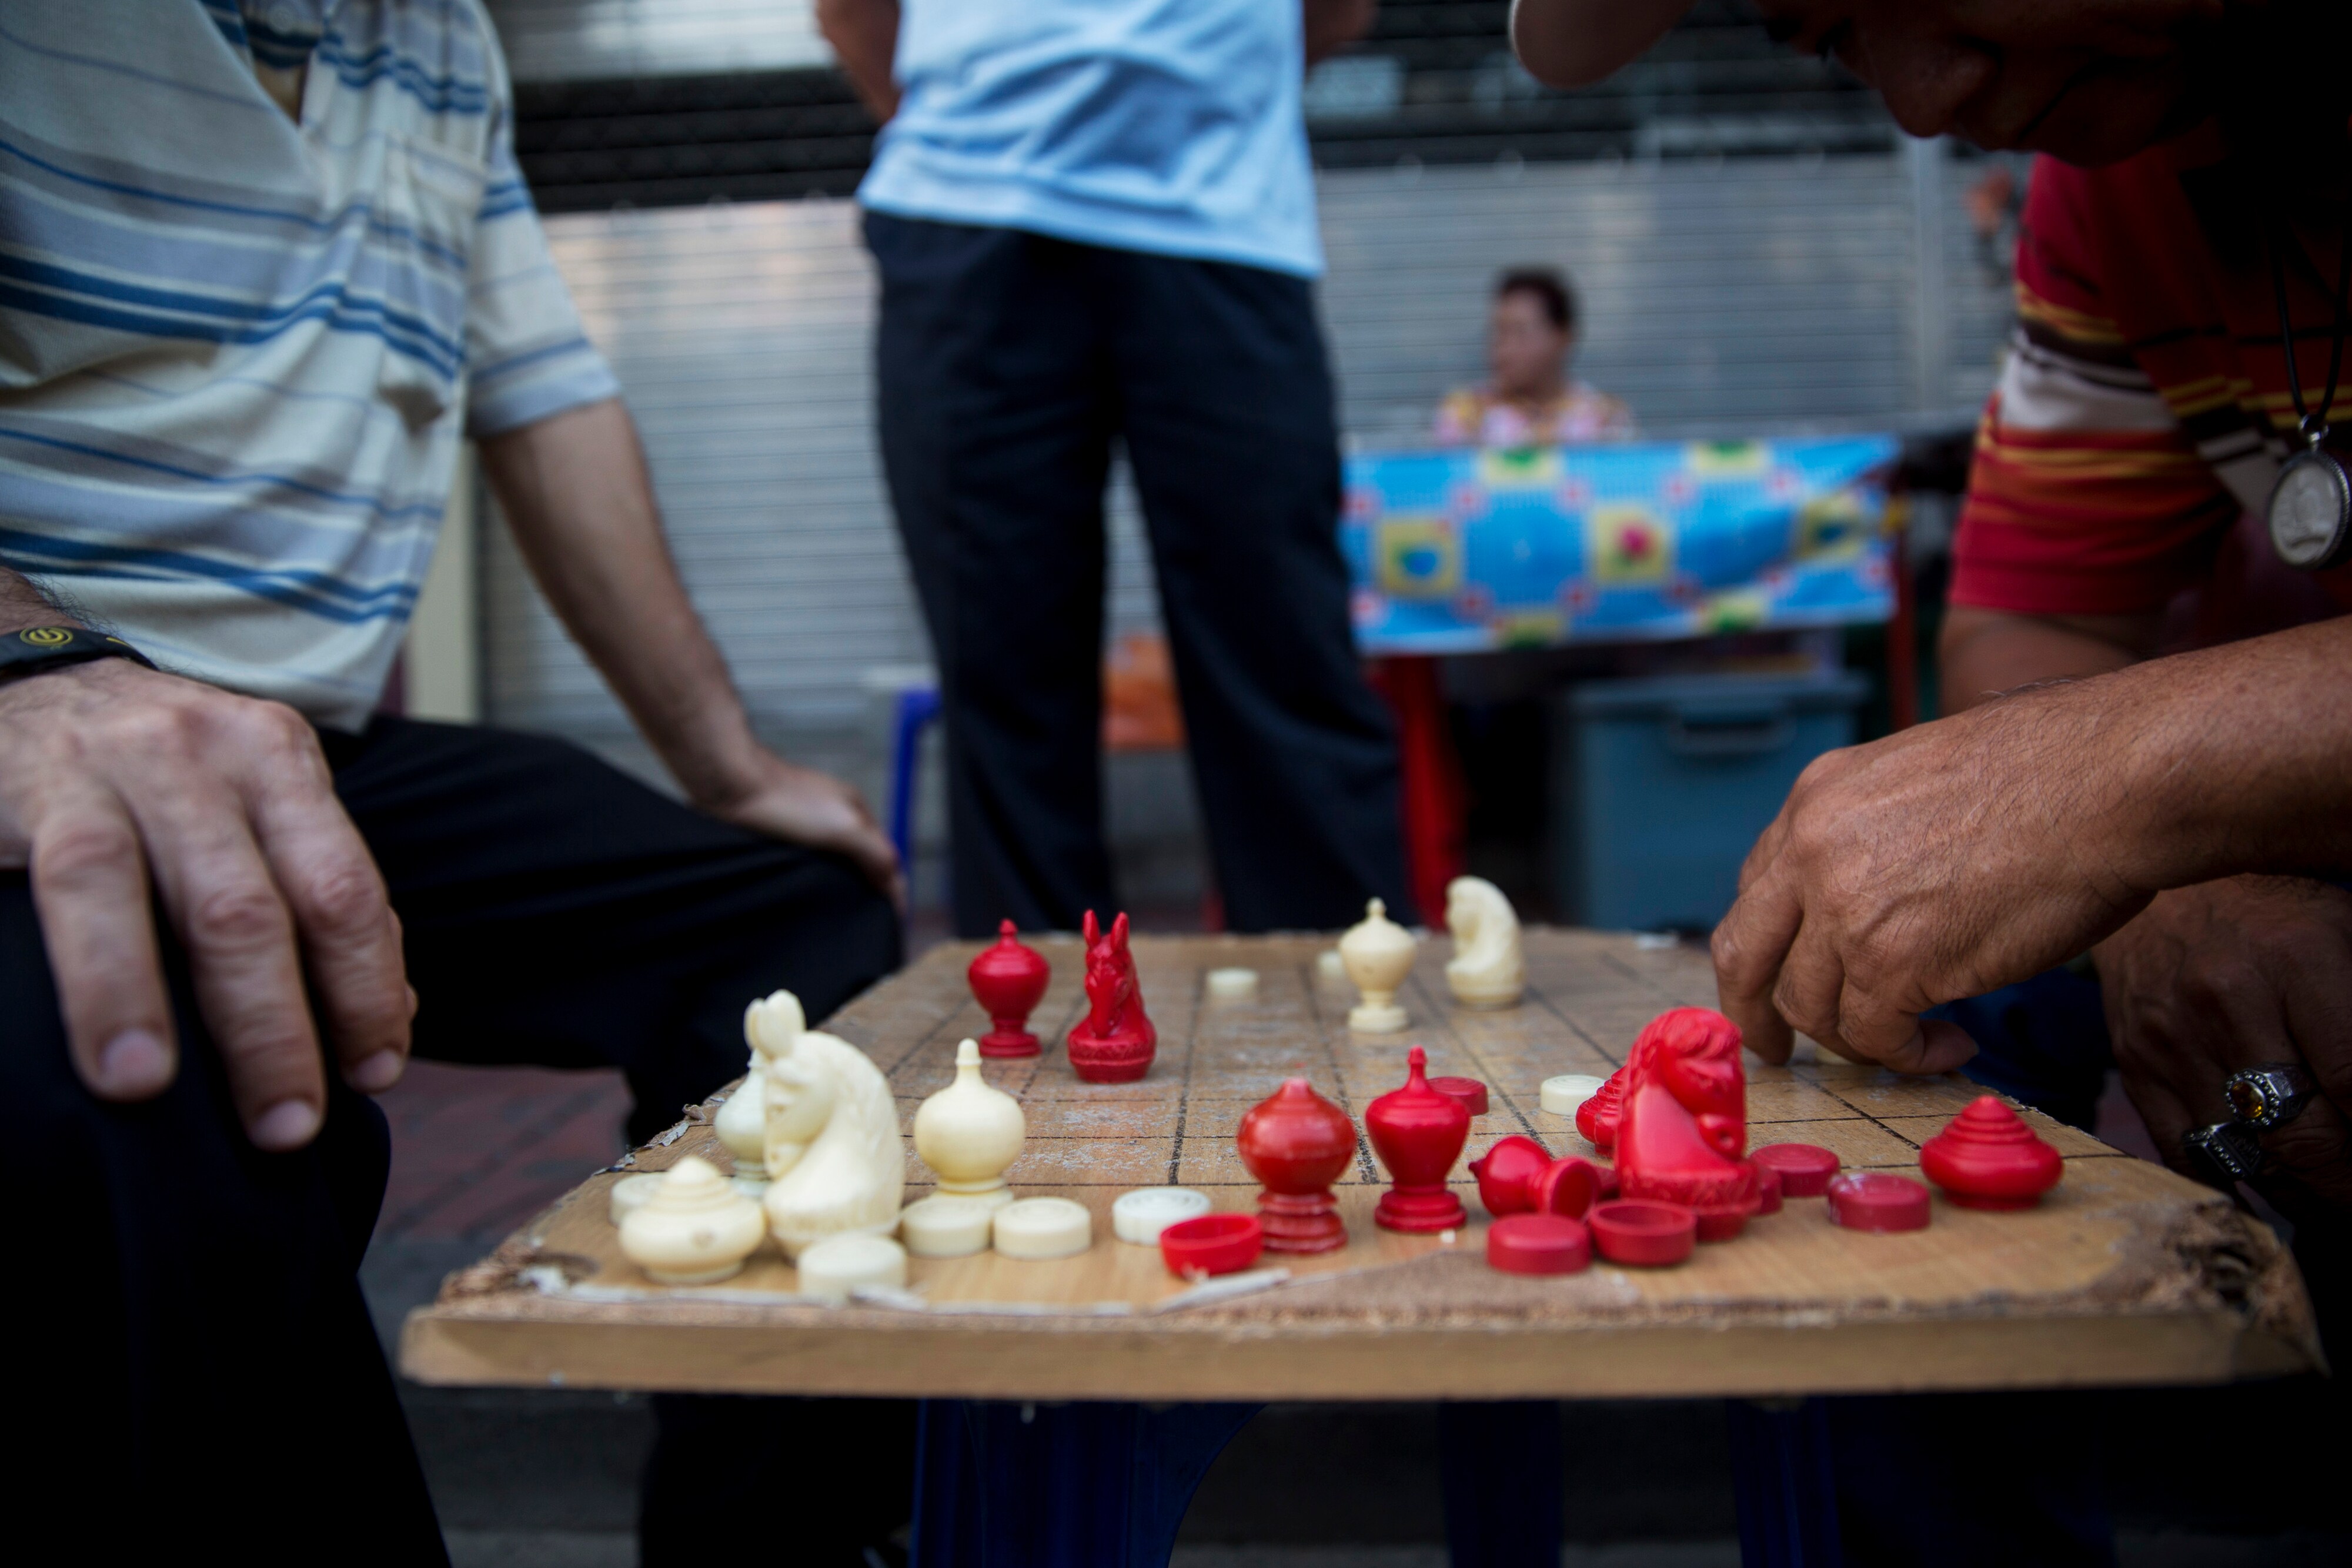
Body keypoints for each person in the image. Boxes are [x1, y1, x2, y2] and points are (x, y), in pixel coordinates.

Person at [0, 5, 903, 1560]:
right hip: (45, 719)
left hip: (324, 744)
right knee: (147, 1078)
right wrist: (31, 666)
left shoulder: (444, 37)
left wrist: (727, 763)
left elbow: (546, 396)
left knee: (801, 929)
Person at [1518, 0, 2352, 1557]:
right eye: (1831, 36)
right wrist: (2172, 885)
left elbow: (2085, 745)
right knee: (1888, 998)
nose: (1918, 97)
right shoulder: (2111, 188)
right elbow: (2028, 623)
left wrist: (2132, 786)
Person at [817, 0, 1415, 937]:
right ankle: (1031, 1013)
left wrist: (1207, 89)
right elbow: (851, 9)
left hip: (1222, 222)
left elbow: (1339, 9)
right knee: (1003, 680)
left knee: (1284, 654)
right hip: (968, 213)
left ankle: (1351, 996)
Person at [1434, 267, 1635, 447]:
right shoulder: (1467, 413)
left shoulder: (1604, 418)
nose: (1505, 349)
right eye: (1500, 332)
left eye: (1520, 332)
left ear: (1562, 336)